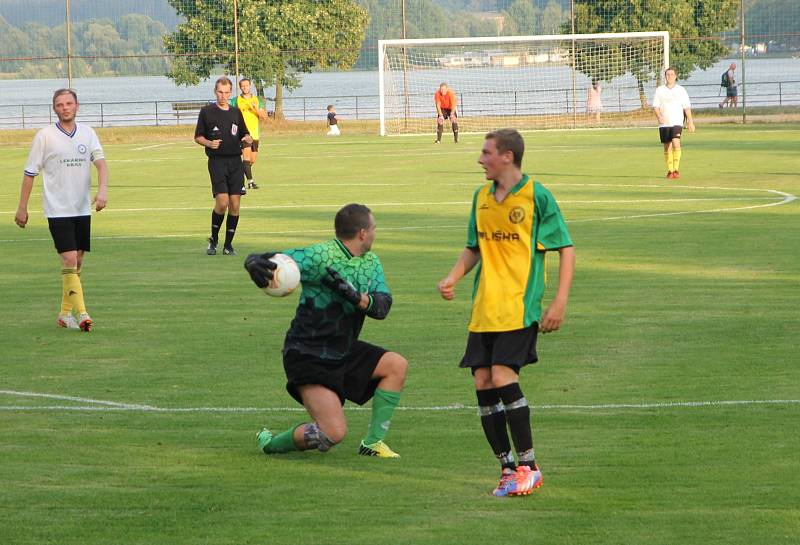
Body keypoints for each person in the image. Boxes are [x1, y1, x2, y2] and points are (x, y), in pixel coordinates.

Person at [437, 129, 575, 497]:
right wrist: (452, 276)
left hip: (519, 304)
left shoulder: (536, 196)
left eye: (486, 153)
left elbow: (565, 247)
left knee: (501, 376)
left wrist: (559, 301)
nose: (480, 159)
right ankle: (507, 468)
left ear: (508, 156)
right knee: (482, 382)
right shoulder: (481, 197)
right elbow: (474, 248)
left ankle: (530, 466)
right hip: (484, 307)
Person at [244, 203, 408, 459]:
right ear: (363, 233)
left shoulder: (371, 262)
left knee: (396, 365)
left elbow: (382, 307)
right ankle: (271, 443)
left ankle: (372, 443)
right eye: (374, 228)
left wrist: (356, 297)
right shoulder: (321, 256)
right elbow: (278, 261)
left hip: (343, 349)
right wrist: (252, 261)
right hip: (307, 354)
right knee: (331, 433)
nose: (376, 233)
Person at [14, 88, 108, 332]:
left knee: (77, 263)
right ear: (54, 109)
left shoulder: (88, 133)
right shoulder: (44, 136)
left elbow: (101, 163)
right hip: (57, 209)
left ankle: (65, 313)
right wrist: (22, 207)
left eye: (69, 103)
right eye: (60, 104)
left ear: (76, 106)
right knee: (68, 258)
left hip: (81, 208)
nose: (65, 107)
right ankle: (83, 313)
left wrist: (103, 190)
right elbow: (29, 173)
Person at [195, 76, 253, 256]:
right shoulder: (206, 112)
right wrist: (208, 144)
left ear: (230, 93)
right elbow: (198, 136)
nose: (223, 96)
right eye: (220, 92)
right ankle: (213, 240)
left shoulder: (236, 112)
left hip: (236, 162)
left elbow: (245, 134)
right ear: (215, 92)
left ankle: (228, 245)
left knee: (235, 205)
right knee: (222, 202)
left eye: (227, 92)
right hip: (217, 162)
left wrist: (247, 138)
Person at [652, 67, 696, 180]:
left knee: (676, 143)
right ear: (665, 76)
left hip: (677, 122)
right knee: (667, 147)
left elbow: (687, 107)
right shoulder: (660, 90)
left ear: (676, 76)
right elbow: (655, 106)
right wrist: (659, 116)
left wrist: (690, 122)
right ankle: (670, 170)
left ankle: (676, 169)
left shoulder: (681, 90)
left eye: (672, 74)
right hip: (664, 123)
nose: (669, 76)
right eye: (667, 75)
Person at [230, 77, 267, 190]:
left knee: (252, 160)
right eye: (243, 86)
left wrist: (255, 109)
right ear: (240, 87)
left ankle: (236, 174)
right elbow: (231, 115)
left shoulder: (257, 100)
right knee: (245, 158)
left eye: (247, 85)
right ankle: (249, 182)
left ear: (250, 86)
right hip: (243, 134)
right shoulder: (235, 101)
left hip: (255, 133)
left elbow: (264, 117)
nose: (245, 87)